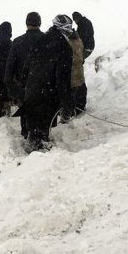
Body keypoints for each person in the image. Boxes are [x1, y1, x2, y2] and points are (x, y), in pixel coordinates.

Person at [19, 15, 73, 152]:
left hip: (32, 86)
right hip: (49, 90)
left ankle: (33, 141)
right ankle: (39, 147)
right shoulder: (64, 47)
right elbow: (63, 77)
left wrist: (24, 85)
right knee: (44, 121)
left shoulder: (40, 40)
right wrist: (66, 100)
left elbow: (27, 65)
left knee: (34, 120)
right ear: (64, 29)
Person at [4, 12, 45, 138]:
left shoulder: (18, 42)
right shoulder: (46, 39)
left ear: (26, 23)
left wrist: (10, 84)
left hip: (23, 84)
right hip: (43, 82)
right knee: (42, 109)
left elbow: (10, 66)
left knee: (26, 109)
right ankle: (41, 134)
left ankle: (26, 133)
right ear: (39, 23)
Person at [68, 28, 87, 115]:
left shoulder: (68, 42)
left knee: (73, 92)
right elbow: (81, 57)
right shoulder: (79, 40)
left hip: (72, 73)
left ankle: (74, 110)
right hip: (79, 72)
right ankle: (80, 108)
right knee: (81, 90)